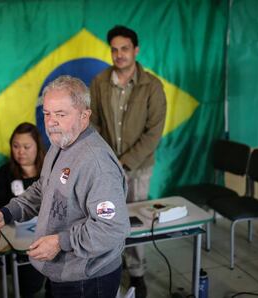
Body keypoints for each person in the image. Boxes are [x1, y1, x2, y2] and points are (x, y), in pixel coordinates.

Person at [0, 75, 130, 298]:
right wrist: (7, 213)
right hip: (63, 271)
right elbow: (44, 188)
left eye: (61, 114)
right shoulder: (61, 143)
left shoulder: (96, 164)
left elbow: (112, 228)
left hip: (88, 279)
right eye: (47, 113)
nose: (51, 122)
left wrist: (61, 241)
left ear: (84, 115)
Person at [90, 25, 167, 297]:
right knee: (108, 217)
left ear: (136, 50)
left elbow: (153, 132)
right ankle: (113, 264)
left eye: (125, 49)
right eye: (114, 49)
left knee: (134, 220)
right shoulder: (99, 82)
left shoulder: (152, 86)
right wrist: (108, 161)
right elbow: (94, 124)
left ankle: (137, 274)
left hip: (139, 168)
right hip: (107, 168)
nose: (119, 54)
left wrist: (125, 162)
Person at [0, 122, 47, 298]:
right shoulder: (4, 174)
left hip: (49, 238)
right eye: (16, 146)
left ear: (38, 146)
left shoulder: (50, 172)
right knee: (29, 285)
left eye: (26, 146)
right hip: (17, 244)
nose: (20, 151)